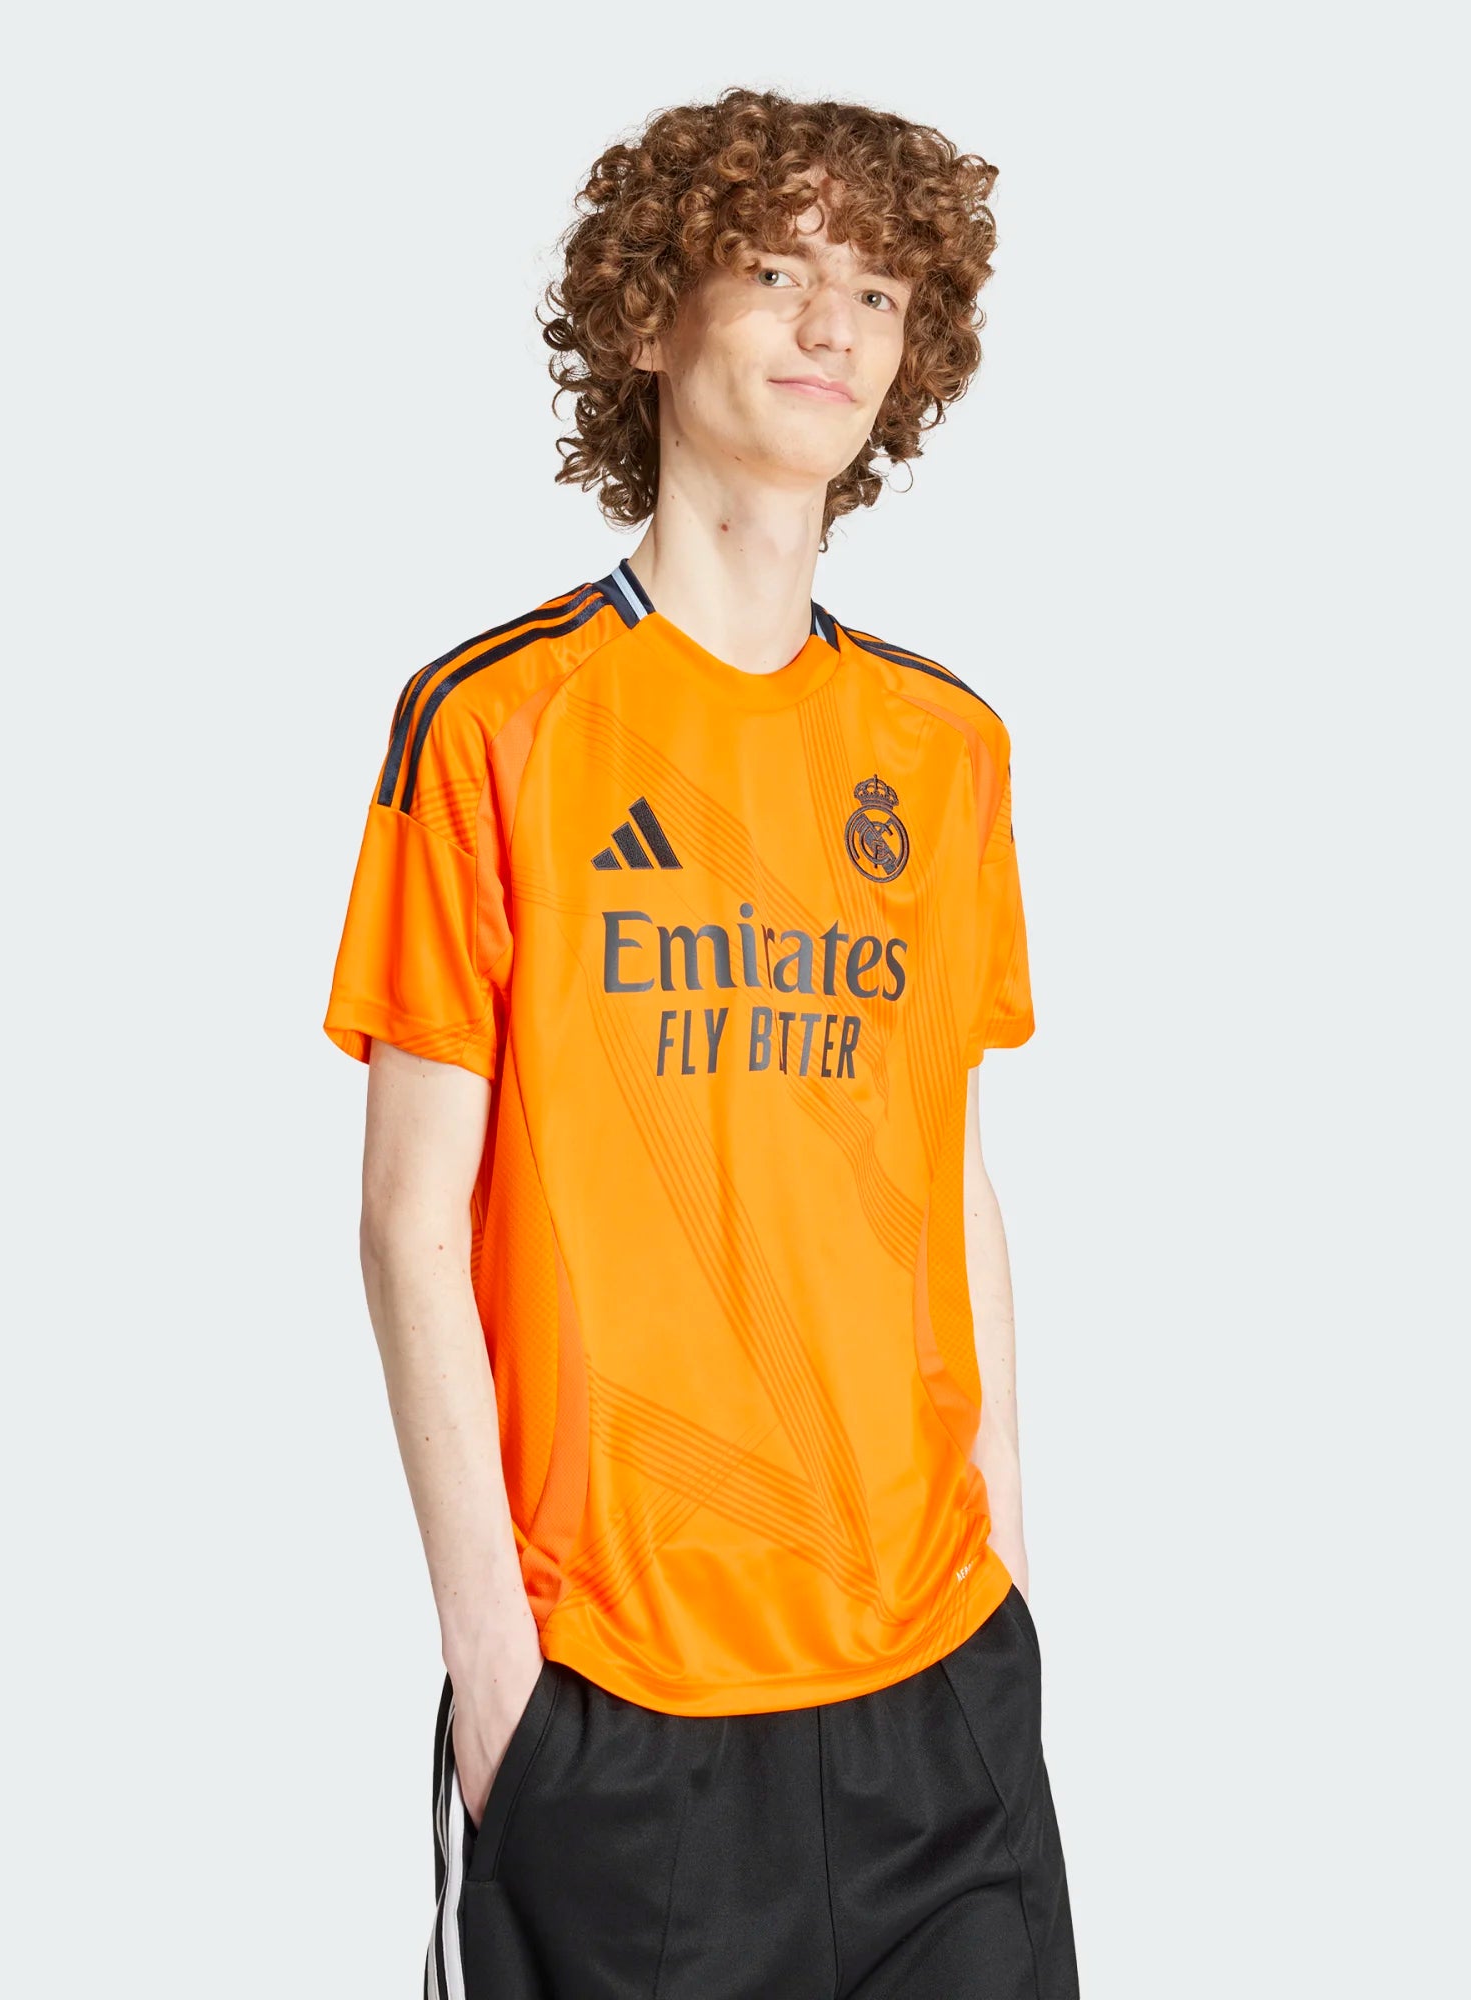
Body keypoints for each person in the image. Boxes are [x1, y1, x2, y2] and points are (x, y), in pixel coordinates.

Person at [324, 86, 1077, 1998]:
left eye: (880, 292)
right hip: (618, 1706)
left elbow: (948, 1164)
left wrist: (1002, 1537)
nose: (836, 326)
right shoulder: (493, 723)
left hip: (937, 1686)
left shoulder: (945, 748)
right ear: (652, 313)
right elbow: (409, 1222)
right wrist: (496, 1667)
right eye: (778, 270)